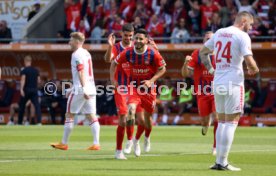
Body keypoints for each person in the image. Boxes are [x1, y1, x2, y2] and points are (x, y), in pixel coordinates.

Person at [199, 11, 259, 171]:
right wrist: (255, 69)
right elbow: (250, 62)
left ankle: (219, 161)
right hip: (233, 82)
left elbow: (202, 52)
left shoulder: (219, 32)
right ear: (244, 21)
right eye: (250, 25)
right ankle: (222, 162)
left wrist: (211, 70)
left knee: (222, 122)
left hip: (218, 81)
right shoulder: (242, 36)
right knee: (231, 123)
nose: (251, 28)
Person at [110, 28, 166, 159]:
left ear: (146, 40)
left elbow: (163, 69)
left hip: (149, 90)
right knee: (131, 110)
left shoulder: (153, 54)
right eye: (136, 38)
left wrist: (151, 81)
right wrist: (113, 80)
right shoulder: (128, 53)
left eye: (141, 39)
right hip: (134, 88)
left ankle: (144, 138)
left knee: (147, 120)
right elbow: (113, 63)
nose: (138, 41)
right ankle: (129, 141)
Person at [50, 32, 100, 150]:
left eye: (71, 40)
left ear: (77, 42)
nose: (69, 42)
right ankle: (96, 143)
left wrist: (82, 89)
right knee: (91, 116)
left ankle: (64, 143)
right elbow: (85, 74)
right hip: (91, 88)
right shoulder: (86, 53)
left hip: (81, 90)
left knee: (69, 115)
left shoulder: (76, 54)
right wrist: (74, 87)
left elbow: (81, 72)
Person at [104, 23, 147, 158]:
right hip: (121, 86)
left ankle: (133, 140)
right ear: (121, 34)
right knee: (123, 118)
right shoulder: (117, 48)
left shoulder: (138, 47)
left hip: (137, 87)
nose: (128, 38)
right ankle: (119, 150)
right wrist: (110, 46)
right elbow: (107, 60)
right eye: (126, 35)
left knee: (140, 119)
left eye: (130, 36)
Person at [181, 31, 218, 155]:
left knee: (217, 117)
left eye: (211, 39)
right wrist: (186, 63)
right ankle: (205, 125)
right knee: (205, 121)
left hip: (218, 91)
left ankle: (215, 147)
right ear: (203, 41)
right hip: (201, 93)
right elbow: (185, 74)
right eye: (206, 39)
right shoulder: (197, 54)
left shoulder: (221, 55)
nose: (208, 41)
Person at [18, 55, 41, 125]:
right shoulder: (36, 70)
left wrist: (21, 89)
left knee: (22, 106)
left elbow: (23, 79)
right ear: (30, 61)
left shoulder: (24, 70)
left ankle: (19, 122)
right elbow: (39, 81)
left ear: (25, 61)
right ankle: (39, 122)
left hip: (26, 90)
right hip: (34, 90)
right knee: (37, 106)